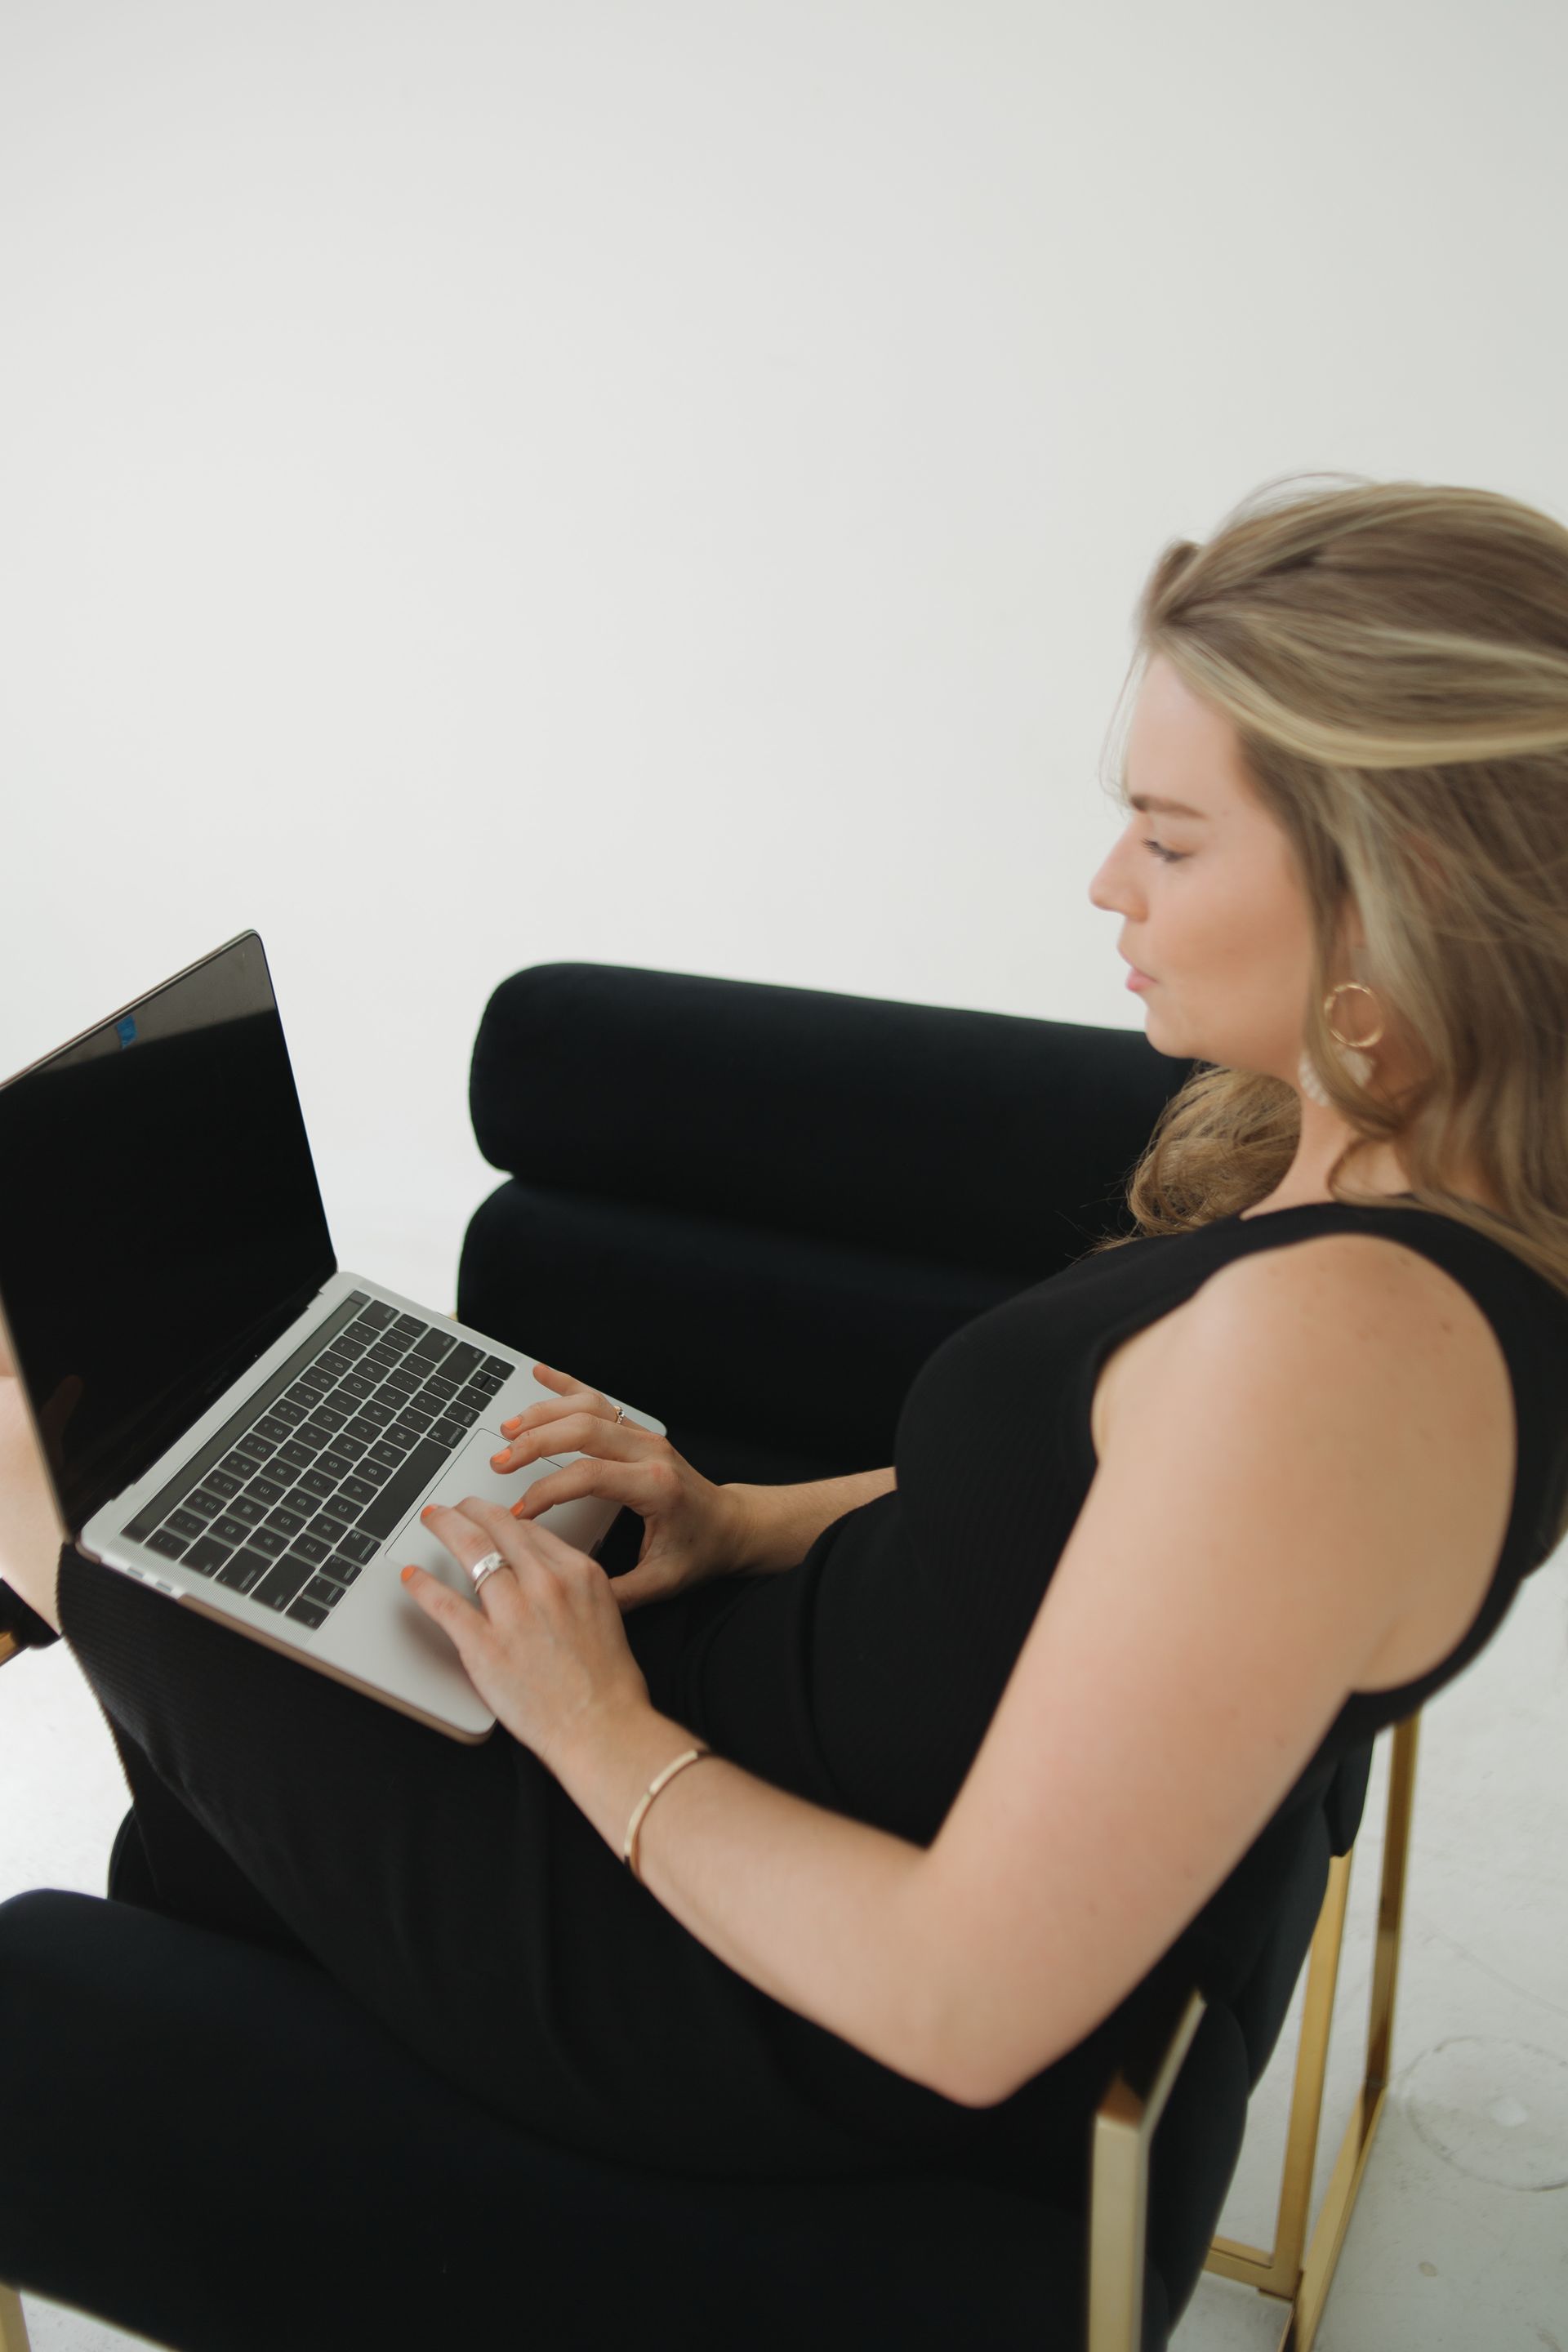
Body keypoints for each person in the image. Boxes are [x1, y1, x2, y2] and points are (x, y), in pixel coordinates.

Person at [3, 471, 1568, 2214]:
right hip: (737, 1736)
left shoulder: (1342, 1364)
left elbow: (959, 2008)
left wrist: (593, 1725)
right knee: (203, 1539)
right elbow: (1090, 1522)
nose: (1109, 881)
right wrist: (737, 1518)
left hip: (720, 1988)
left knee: (61, 1487)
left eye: (1176, 839)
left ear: (1403, 889)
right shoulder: (1381, 1170)